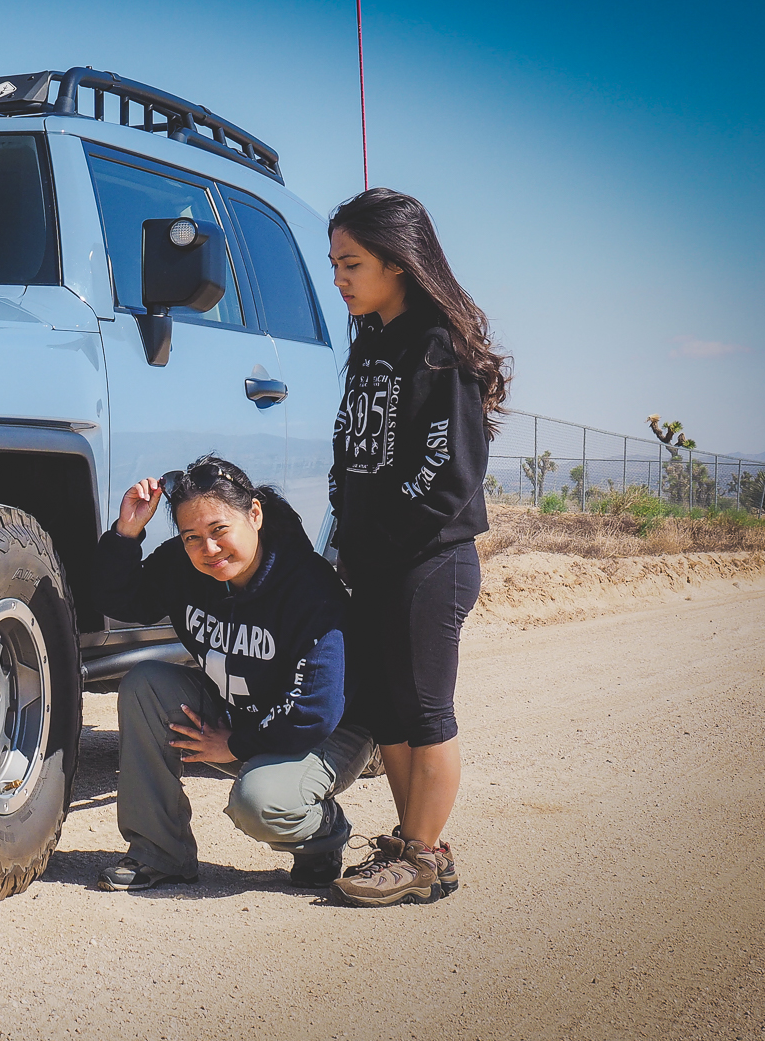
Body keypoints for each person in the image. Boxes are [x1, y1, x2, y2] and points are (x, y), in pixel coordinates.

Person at [325, 188, 510, 907]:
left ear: (398, 265)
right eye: (335, 263)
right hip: (373, 558)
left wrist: (386, 539)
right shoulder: (370, 339)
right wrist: (349, 532)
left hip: (428, 558)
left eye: (352, 263)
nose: (339, 278)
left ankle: (424, 855)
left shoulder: (438, 347)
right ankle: (413, 843)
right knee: (390, 709)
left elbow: (450, 470)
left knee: (426, 710)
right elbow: (353, 452)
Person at [94, 456, 372, 892]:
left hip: (326, 730)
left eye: (219, 530)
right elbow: (120, 601)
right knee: (145, 685)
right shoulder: (183, 566)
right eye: (192, 537)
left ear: (254, 514)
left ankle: (322, 836)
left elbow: (314, 710)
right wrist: (127, 534)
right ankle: (160, 853)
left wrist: (235, 745)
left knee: (259, 802)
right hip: (241, 711)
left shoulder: (309, 588)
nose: (209, 549)